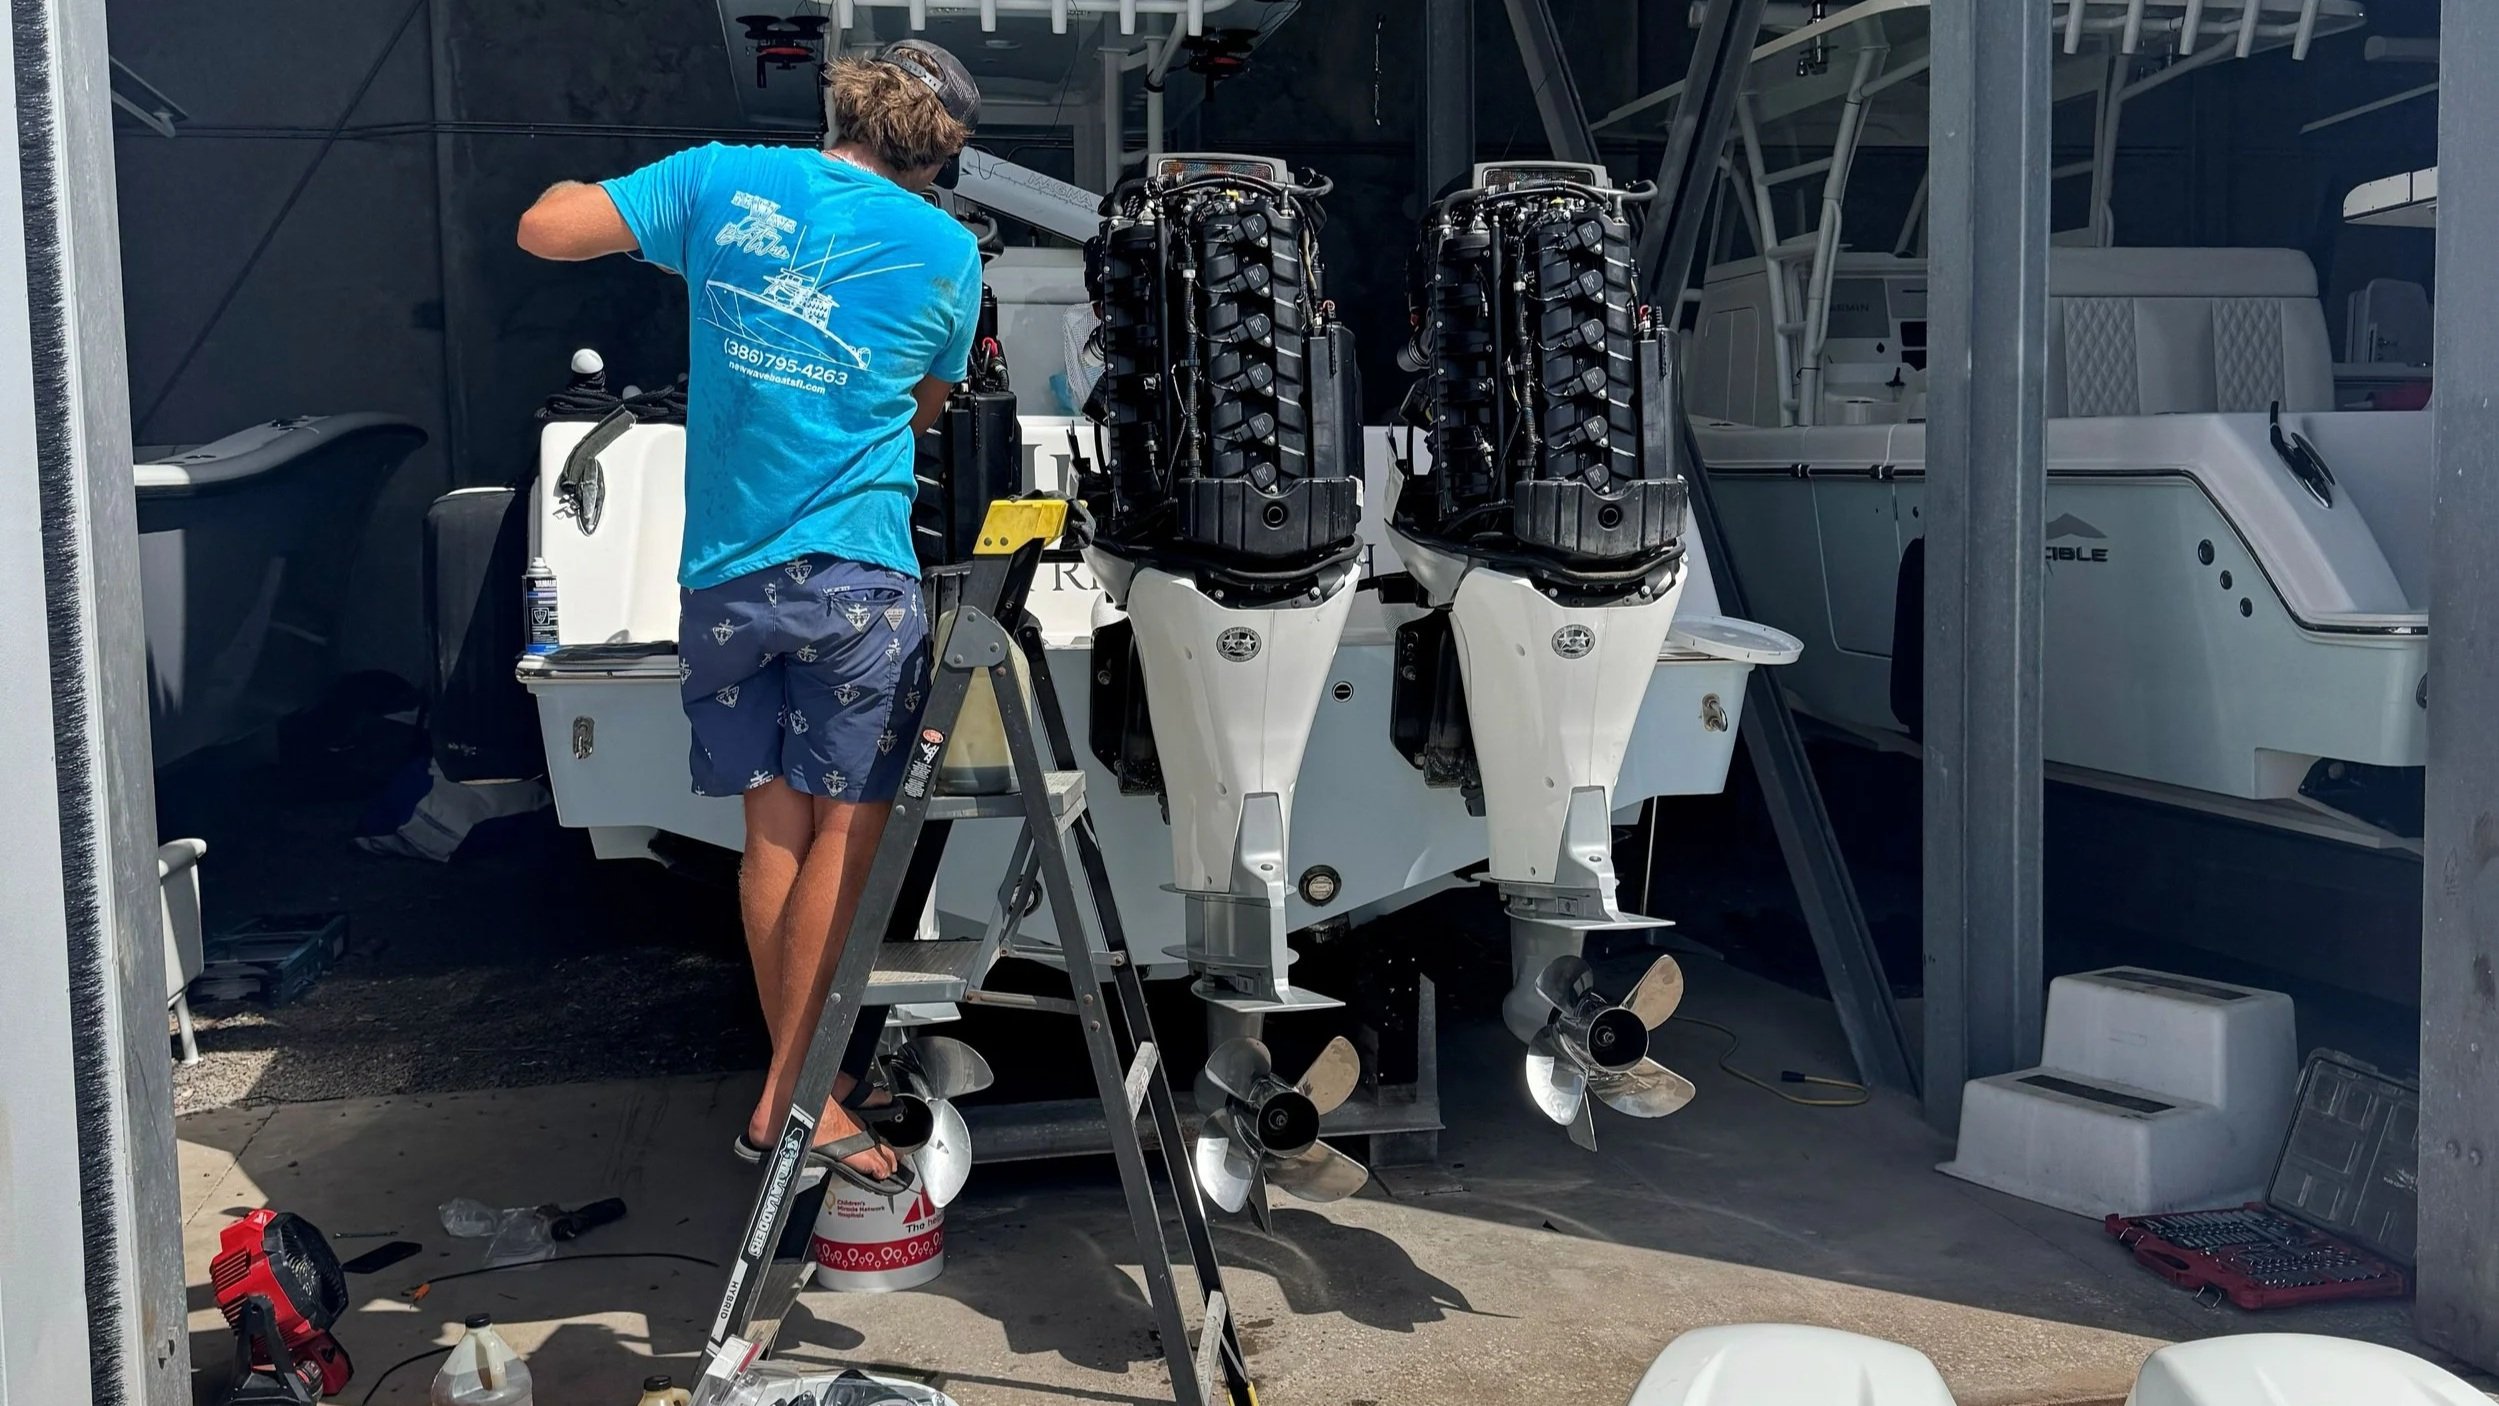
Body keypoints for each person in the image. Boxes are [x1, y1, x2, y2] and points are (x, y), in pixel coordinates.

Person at [515, 41, 983, 1192]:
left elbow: (545, 228)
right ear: (942, 152)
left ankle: (799, 1086)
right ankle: (795, 1093)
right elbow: (928, 407)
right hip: (853, 582)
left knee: (772, 833)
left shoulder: (725, 180)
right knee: (849, 837)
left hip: (722, 582)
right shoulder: (948, 251)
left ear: (846, 102)